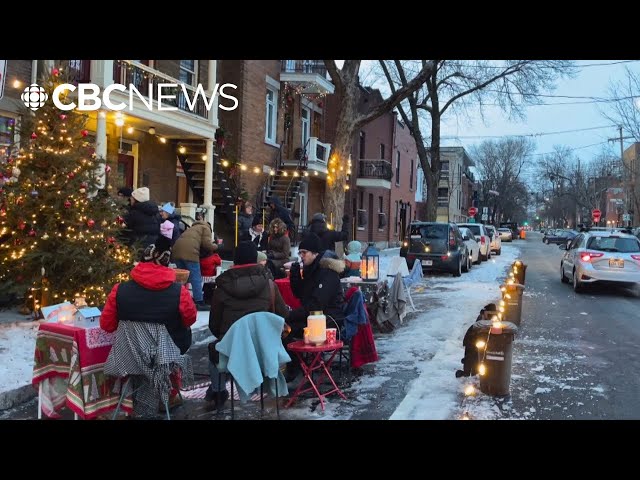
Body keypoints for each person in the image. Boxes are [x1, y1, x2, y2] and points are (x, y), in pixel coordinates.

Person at [100, 235, 197, 416]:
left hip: (129, 357)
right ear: (166, 263)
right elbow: (189, 319)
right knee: (180, 335)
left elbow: (107, 325)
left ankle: (137, 399)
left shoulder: (119, 290)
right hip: (165, 359)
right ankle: (168, 394)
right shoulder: (178, 292)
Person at [206, 241, 289, 410]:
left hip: (232, 353)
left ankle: (219, 391)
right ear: (256, 259)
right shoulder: (270, 285)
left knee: (213, 351)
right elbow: (281, 317)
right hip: (266, 352)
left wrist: (234, 338)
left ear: (235, 262)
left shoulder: (221, 288)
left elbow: (214, 325)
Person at [288, 232, 346, 338]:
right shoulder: (311, 270)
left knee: (287, 330)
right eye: (300, 253)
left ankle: (294, 354)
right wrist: (295, 276)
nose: (301, 256)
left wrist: (289, 315)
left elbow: (316, 305)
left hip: (329, 321)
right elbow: (300, 294)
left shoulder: (327, 272)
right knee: (284, 328)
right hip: (316, 318)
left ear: (315, 253)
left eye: (304, 253)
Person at [171, 210, 213, 311]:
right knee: (195, 277)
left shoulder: (192, 227)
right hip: (190, 253)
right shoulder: (206, 227)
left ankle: (178, 299)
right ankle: (199, 302)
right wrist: (217, 246)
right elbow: (207, 244)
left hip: (176, 251)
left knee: (182, 278)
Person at [122, 187, 160, 251]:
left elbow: (124, 229)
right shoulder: (155, 213)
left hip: (137, 247)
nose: (130, 199)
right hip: (152, 248)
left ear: (136, 199)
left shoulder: (133, 214)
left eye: (132, 198)